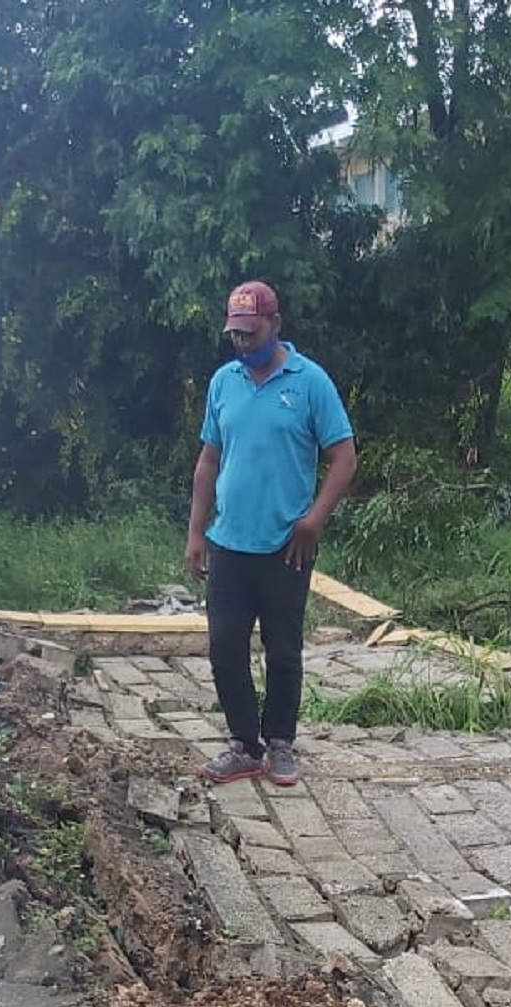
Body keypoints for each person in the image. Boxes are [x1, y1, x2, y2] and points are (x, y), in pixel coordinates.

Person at [186, 281, 357, 786]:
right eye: (236, 335)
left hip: (286, 545)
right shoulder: (224, 382)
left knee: (283, 649)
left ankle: (280, 742)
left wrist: (313, 520)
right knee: (225, 647)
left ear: (275, 324)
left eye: (251, 333)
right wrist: (196, 532)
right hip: (229, 541)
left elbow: (344, 458)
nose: (243, 343)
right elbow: (209, 460)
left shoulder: (310, 383)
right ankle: (244, 743)